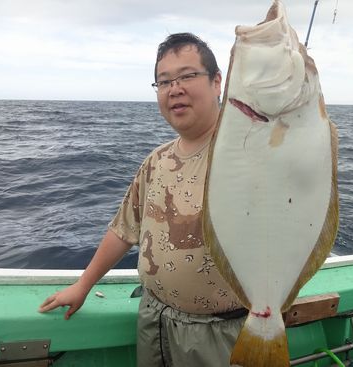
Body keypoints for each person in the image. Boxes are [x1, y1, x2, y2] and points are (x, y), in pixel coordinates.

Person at [38, 32, 247, 367]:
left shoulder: (248, 151)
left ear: (217, 81)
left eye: (188, 75)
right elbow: (124, 230)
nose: (174, 88)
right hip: (154, 320)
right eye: (163, 81)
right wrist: (83, 285)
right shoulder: (157, 160)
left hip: (222, 333)